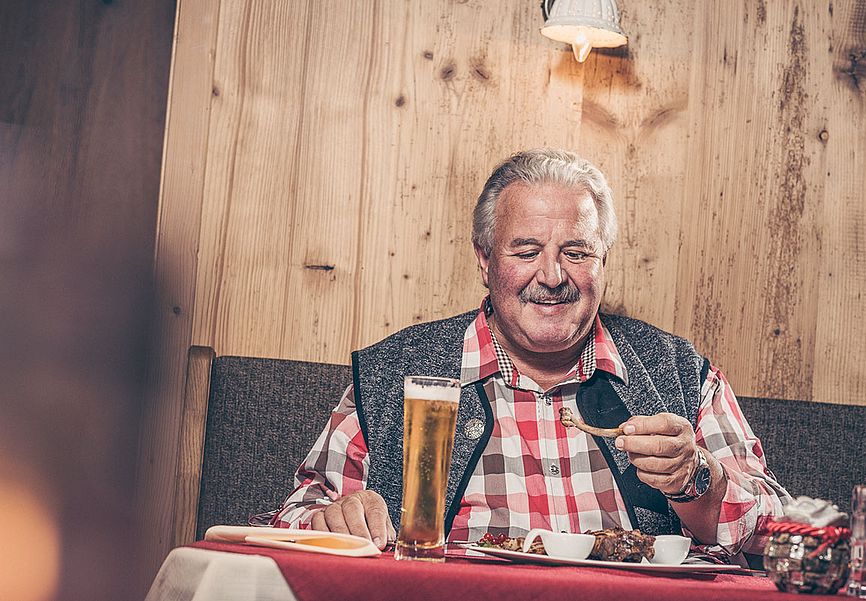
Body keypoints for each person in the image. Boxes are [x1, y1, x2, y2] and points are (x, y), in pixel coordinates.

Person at [270, 148, 790, 560]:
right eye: (526, 251)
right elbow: (294, 518)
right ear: (484, 258)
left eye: (577, 251)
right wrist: (335, 519)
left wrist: (699, 478)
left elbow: (781, 533)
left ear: (602, 260)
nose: (552, 276)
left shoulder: (677, 372)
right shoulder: (398, 372)